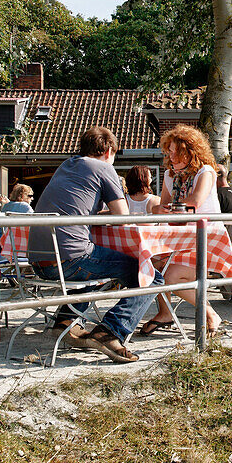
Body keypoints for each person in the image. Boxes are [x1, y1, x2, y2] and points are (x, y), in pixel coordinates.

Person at [27, 126, 153, 363]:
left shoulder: (66, 165)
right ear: (108, 151)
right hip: (69, 260)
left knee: (103, 270)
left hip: (38, 261)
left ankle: (65, 319)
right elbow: (124, 218)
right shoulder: (104, 168)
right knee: (148, 274)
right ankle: (110, 332)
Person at [140, 125, 224, 337]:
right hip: (180, 238)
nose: (172, 155)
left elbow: (194, 203)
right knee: (149, 263)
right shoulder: (170, 176)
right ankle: (165, 313)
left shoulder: (205, 172)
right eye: (169, 150)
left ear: (191, 151)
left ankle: (210, 313)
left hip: (206, 239)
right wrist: (159, 209)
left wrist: (166, 210)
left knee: (167, 276)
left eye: (177, 150)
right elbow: (163, 206)